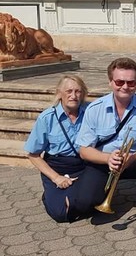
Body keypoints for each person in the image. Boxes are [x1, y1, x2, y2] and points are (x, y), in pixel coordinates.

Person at [75, 57, 136, 219]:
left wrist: (133, 156)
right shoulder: (95, 109)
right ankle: (103, 193)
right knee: (84, 204)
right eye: (119, 82)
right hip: (104, 163)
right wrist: (108, 158)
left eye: (131, 83)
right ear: (110, 82)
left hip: (135, 160)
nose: (125, 87)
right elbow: (84, 150)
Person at [24, 75, 89, 222]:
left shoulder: (90, 113)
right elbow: (33, 154)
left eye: (78, 91)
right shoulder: (46, 118)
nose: (73, 96)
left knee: (90, 202)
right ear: (59, 93)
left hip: (83, 165)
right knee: (62, 214)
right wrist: (56, 178)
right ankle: (50, 194)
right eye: (69, 91)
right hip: (57, 168)